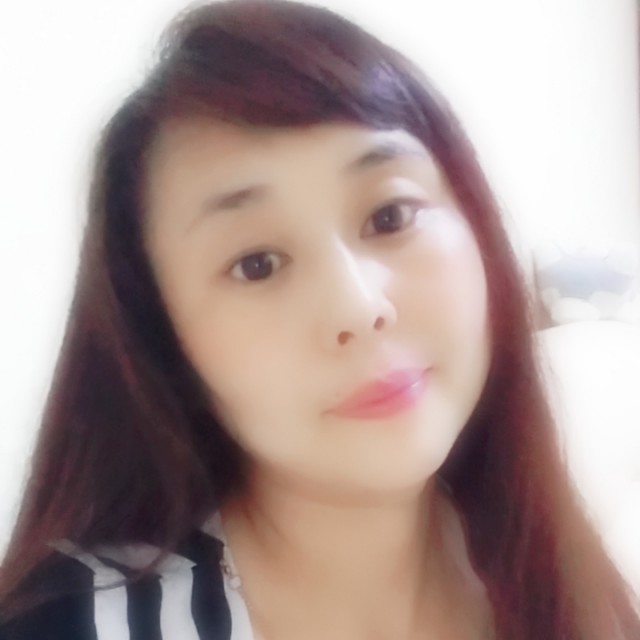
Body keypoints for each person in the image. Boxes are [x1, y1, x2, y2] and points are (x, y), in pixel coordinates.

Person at [0, 1, 638, 638]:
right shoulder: (76, 623)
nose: (358, 306)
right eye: (256, 264)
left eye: (390, 216)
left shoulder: (571, 583)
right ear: (165, 340)